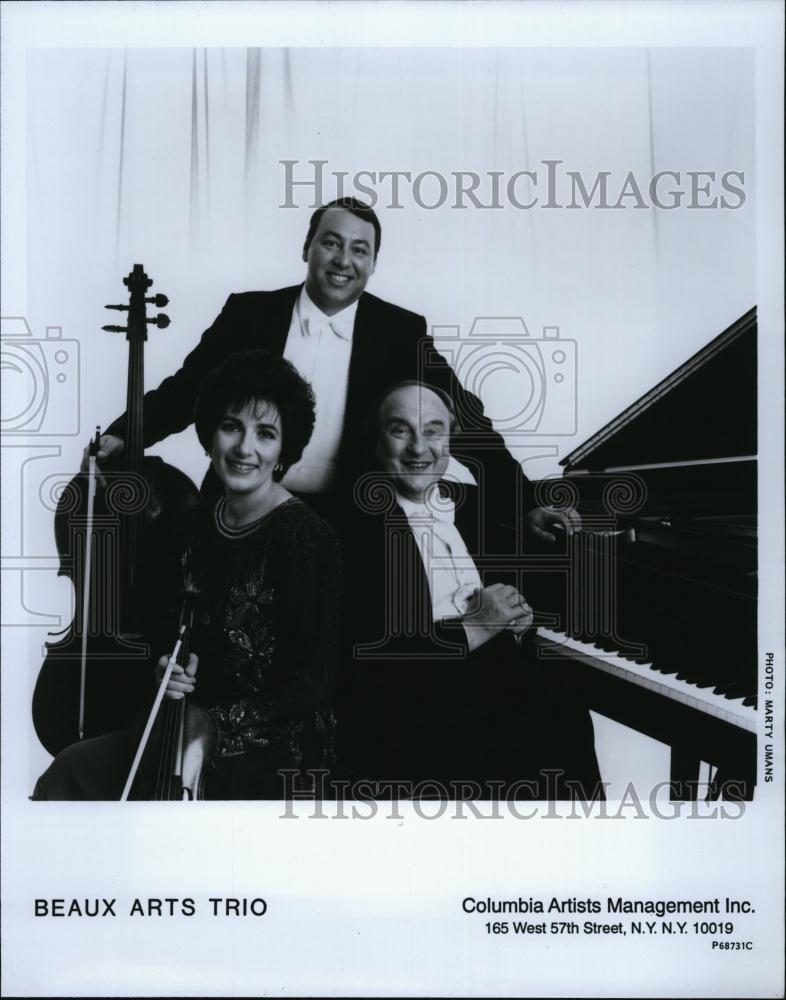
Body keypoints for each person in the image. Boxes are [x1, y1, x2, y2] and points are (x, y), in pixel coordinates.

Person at [89, 197, 574, 542]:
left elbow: (464, 420)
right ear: (307, 249)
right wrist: (125, 435)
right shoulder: (249, 313)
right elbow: (186, 390)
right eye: (331, 244)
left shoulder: (399, 330)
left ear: (374, 263)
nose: (343, 260)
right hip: (241, 510)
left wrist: (525, 500)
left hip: (350, 521)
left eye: (359, 250)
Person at [33, 351, 342, 799]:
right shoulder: (189, 525)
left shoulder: (309, 537)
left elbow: (309, 685)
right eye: (231, 426)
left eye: (266, 434)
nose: (244, 448)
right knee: (69, 771)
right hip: (177, 728)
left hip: (271, 746)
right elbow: (161, 630)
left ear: (283, 451)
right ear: (209, 434)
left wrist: (214, 723)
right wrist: (162, 671)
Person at [335, 382, 601, 800]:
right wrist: (476, 626)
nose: (418, 448)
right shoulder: (354, 528)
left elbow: (495, 585)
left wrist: (513, 614)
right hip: (416, 707)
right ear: (375, 441)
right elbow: (366, 659)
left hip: (488, 680)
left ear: (451, 440)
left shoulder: (469, 505)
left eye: (433, 431)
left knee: (565, 706)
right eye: (400, 430)